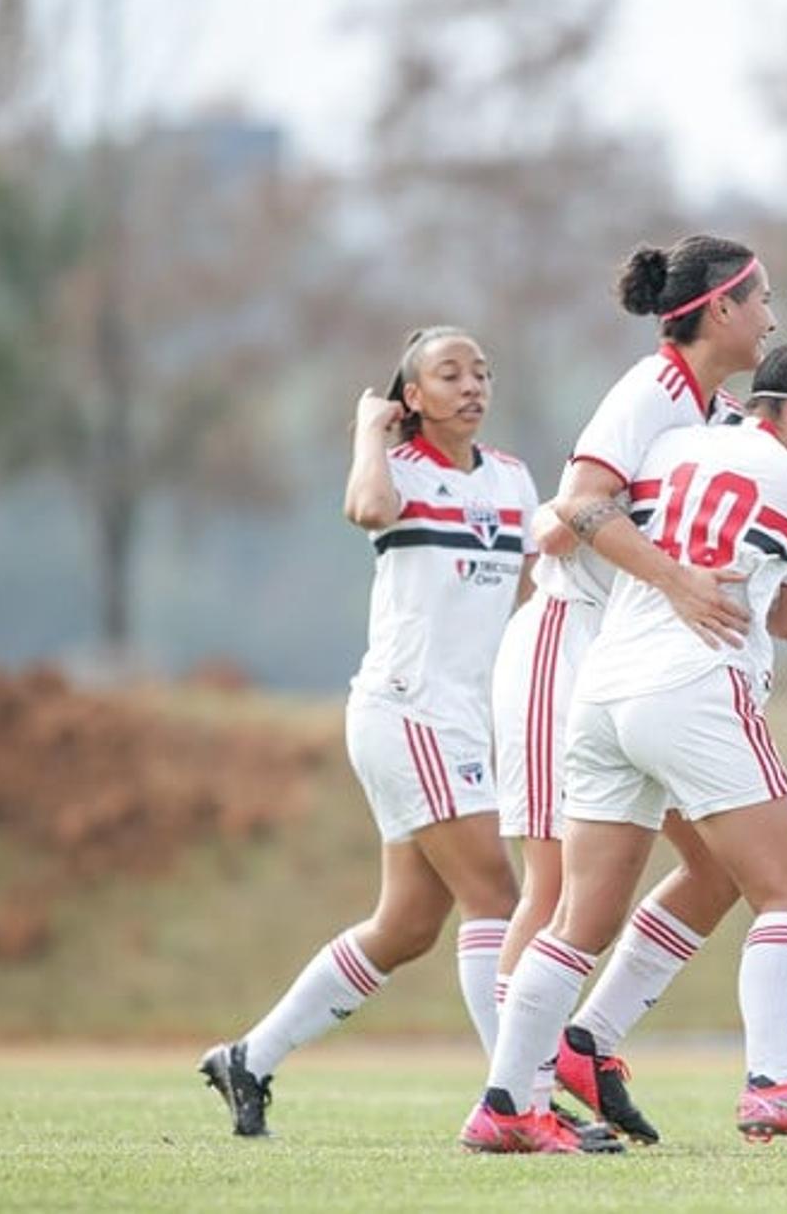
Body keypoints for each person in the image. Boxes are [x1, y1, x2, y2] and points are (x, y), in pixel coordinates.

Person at [463, 313, 787, 1155]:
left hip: (605, 689)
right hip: (695, 688)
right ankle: (773, 1083)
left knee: (578, 922)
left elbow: (585, 512)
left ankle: (508, 1102)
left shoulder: (673, 448)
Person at [198, 327, 543, 1141]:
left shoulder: (516, 480)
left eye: (482, 372)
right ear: (411, 397)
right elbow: (368, 509)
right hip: (407, 710)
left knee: (408, 928)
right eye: (449, 374)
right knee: (495, 894)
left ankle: (250, 1057)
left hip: (463, 719)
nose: (472, 386)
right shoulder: (399, 473)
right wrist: (367, 431)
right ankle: (515, 1102)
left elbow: (529, 595)